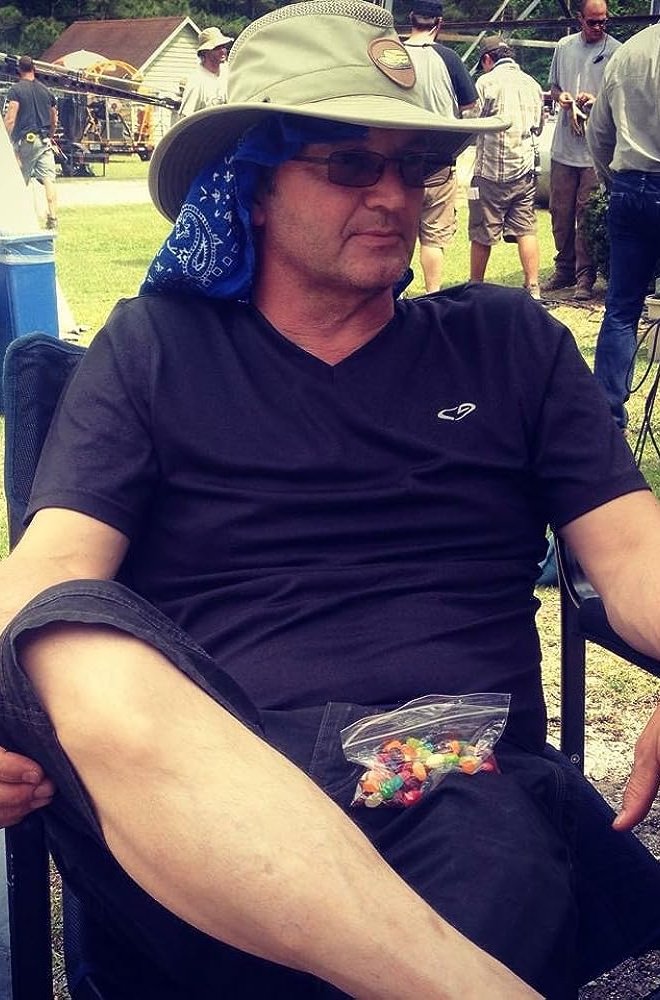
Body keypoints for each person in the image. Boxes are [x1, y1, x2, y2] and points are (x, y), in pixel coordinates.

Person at [1, 2, 660, 998]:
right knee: (64, 630)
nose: (395, 194)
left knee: (485, 856)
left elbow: (633, 550)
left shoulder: (506, 343)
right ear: (255, 186)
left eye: (416, 166)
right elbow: (53, 568)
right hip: (203, 779)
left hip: (451, 769)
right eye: (351, 164)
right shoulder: (156, 348)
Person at [587, 23, 660, 430]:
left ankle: (608, 417)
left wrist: (613, 184)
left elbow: (598, 132)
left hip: (631, 186)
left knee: (621, 309)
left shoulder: (628, 51)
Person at [541, 0, 619, 301]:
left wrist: (596, 100)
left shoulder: (616, 51)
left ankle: (585, 276)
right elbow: (554, 88)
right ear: (579, 19)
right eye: (592, 22)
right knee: (560, 211)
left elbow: (619, 98)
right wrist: (562, 98)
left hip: (594, 151)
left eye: (603, 21)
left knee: (586, 212)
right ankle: (564, 267)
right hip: (564, 147)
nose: (599, 27)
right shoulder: (564, 47)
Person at [404, 0, 478, 292]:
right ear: (439, 23)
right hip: (439, 162)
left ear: (411, 18)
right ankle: (432, 296)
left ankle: (393, 293)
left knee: (400, 232)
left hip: (398, 162)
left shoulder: (392, 54)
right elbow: (470, 107)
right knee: (433, 238)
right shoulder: (449, 58)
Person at [467, 36, 544, 299]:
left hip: (490, 172)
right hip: (524, 171)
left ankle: (475, 286)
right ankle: (533, 287)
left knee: (482, 232)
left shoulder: (485, 82)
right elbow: (539, 126)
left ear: (488, 59)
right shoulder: (532, 84)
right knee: (526, 229)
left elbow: (471, 121)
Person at [2, 54, 58, 230]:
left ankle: (19, 218)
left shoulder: (16, 90)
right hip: (45, 140)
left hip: (26, 141)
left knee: (19, 179)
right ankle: (53, 217)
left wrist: (5, 140)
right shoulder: (46, 91)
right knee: (49, 179)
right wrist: (50, 134)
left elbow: (11, 118)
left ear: (19, 70)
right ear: (34, 69)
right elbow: (54, 118)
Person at [177, 25, 233, 118]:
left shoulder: (228, 72)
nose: (223, 51)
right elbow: (185, 118)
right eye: (217, 48)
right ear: (205, 52)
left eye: (223, 46)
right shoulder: (196, 82)